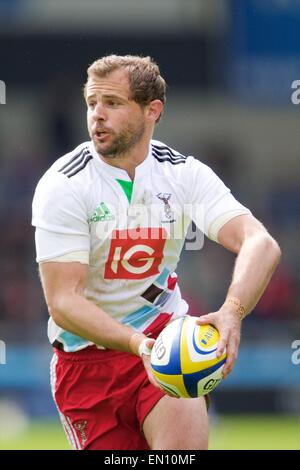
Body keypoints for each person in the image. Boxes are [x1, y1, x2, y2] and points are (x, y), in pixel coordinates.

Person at [32, 55, 281, 450]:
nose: (97, 115)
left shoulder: (182, 173)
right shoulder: (63, 184)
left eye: (112, 103)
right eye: (92, 103)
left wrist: (232, 313)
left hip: (165, 343)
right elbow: (63, 302)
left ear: (152, 110)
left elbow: (260, 242)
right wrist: (136, 344)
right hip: (86, 366)